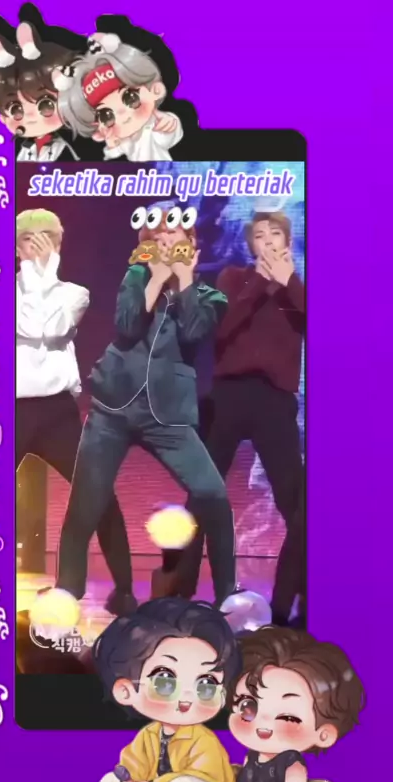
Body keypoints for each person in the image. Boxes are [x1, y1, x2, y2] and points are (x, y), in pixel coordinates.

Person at [56, 203, 237, 608]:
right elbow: (126, 326)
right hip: (113, 409)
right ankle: (67, 593)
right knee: (85, 504)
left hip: (168, 417)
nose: (167, 241)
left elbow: (193, 332)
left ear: (191, 244)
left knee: (213, 494)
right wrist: (154, 280)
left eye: (175, 235)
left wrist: (184, 279)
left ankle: (228, 594)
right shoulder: (136, 277)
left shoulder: (210, 296)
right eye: (159, 236)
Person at [157, 212, 305, 627]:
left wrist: (289, 283)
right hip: (229, 397)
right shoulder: (233, 279)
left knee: (298, 504)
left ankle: (287, 605)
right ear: (250, 244)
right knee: (202, 493)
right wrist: (261, 282)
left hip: (275, 401)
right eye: (259, 235)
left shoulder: (296, 289)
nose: (268, 240)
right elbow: (222, 329)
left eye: (275, 233)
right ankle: (179, 592)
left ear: (287, 241)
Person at [16, 208, 135, 616]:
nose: (40, 248)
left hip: (57, 413)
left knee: (99, 491)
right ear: (17, 249)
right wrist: (34, 274)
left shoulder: (74, 293)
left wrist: (45, 274)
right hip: (9, 413)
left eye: (48, 239)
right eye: (31, 240)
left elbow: (48, 329)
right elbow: (27, 325)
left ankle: (124, 591)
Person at [168, 626, 365, 782]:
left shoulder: (291, 764)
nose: (262, 723)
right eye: (248, 706)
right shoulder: (251, 757)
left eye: (288, 717)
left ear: (324, 734)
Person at [64, 598, 242, 782]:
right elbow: (136, 761)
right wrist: (129, 778)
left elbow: (202, 777)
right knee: (114, 781)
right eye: (165, 681)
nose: (187, 698)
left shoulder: (204, 741)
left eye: (206, 684)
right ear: (125, 690)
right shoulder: (150, 734)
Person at [52, 33, 184, 161]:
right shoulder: (123, 138)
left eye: (131, 98)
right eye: (106, 116)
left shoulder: (154, 125)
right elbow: (113, 154)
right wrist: (112, 143)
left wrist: (168, 126)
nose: (122, 114)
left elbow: (169, 137)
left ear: (156, 90)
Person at [0, 21, 83, 161]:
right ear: (3, 117)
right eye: (15, 110)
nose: (30, 116)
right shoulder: (19, 149)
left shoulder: (74, 146)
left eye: (46, 105)